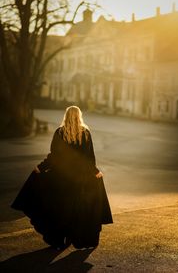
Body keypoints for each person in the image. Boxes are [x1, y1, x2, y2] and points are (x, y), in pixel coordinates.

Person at [11, 106, 113, 250]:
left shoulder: (59, 133)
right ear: (79, 116)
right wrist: (95, 171)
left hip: (60, 178)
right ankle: (75, 237)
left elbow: (53, 156)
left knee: (59, 210)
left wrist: (40, 167)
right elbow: (89, 158)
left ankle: (59, 240)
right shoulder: (85, 134)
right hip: (79, 179)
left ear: (66, 116)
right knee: (76, 210)